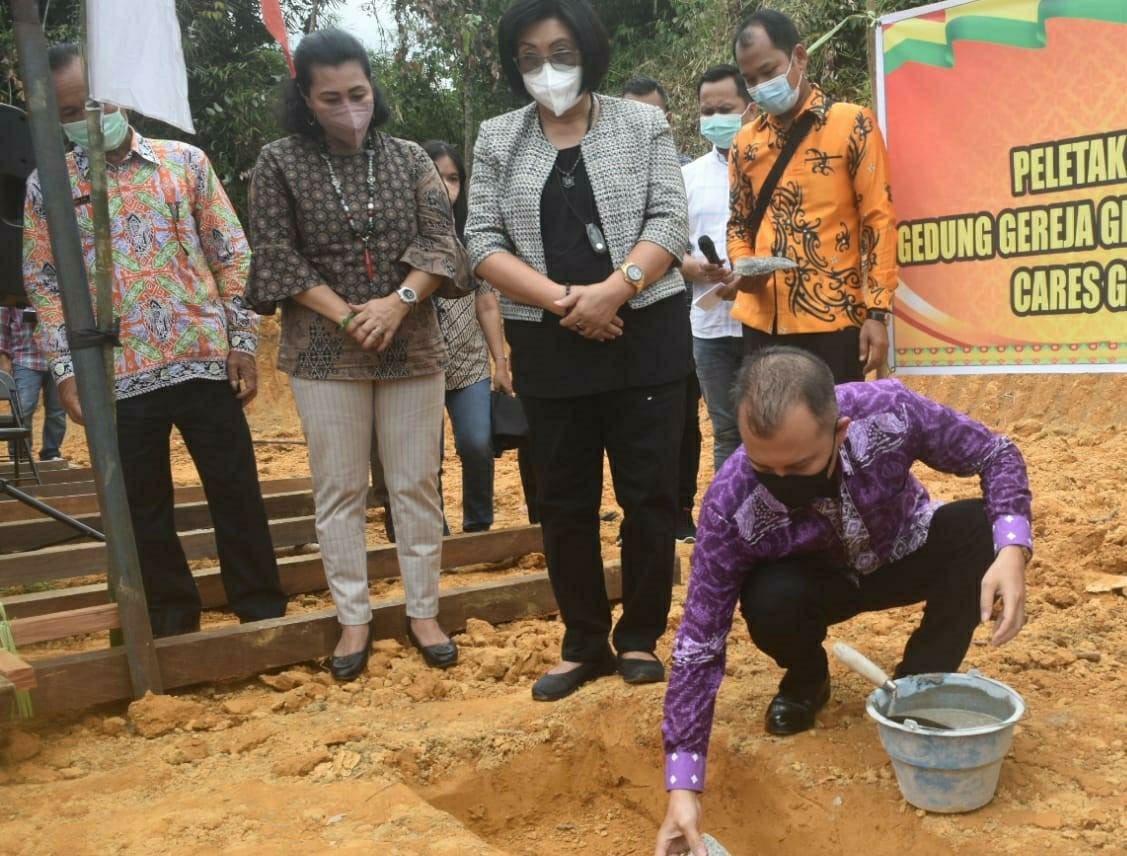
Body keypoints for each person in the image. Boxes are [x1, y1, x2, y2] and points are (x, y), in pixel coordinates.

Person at [654, 347, 1032, 855]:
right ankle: (808, 678)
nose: (784, 481)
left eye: (801, 465)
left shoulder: (890, 411)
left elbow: (996, 453)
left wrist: (1011, 549)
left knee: (974, 529)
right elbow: (698, 644)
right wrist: (683, 788)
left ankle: (916, 687)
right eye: (767, 468)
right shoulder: (730, 502)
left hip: (904, 550)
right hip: (814, 585)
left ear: (840, 429)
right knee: (769, 599)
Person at [465, 0, 691, 700]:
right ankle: (583, 641)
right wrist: (565, 300)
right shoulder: (498, 138)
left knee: (649, 496)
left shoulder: (641, 122)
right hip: (548, 340)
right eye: (529, 57)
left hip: (642, 332)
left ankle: (640, 640)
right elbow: (481, 241)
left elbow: (669, 220)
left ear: (587, 51)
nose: (545, 68)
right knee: (562, 501)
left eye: (559, 52)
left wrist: (613, 290)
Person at [23, 44, 287, 638]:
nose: (84, 120)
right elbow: (44, 282)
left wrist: (243, 342)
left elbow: (232, 255)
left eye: (92, 103)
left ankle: (261, 609)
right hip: (115, 373)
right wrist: (65, 370)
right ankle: (170, 620)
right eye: (66, 112)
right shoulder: (49, 186)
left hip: (203, 362)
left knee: (236, 490)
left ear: (117, 93)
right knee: (141, 506)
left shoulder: (184, 163)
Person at [245, 29, 468, 681]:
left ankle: (423, 611)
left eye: (359, 93)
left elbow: (441, 241)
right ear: (306, 100)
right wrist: (346, 312)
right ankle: (353, 618)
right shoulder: (279, 161)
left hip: (412, 345)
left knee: (415, 484)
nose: (348, 108)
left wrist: (396, 302)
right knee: (339, 489)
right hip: (324, 352)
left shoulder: (407, 159)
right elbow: (275, 253)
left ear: (375, 88)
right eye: (331, 97)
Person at [728, 9, 898, 383]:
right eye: (750, 79)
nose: (760, 86)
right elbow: (739, 223)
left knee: (838, 433)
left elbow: (878, 221)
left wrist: (877, 313)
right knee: (772, 434)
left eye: (769, 71)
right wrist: (744, 268)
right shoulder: (744, 143)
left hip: (834, 321)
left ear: (799, 57)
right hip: (762, 325)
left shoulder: (853, 124)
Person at [372, 140, 511, 538]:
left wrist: (500, 361)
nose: (446, 187)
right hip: (416, 361)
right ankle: (435, 530)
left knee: (477, 443)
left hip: (469, 363)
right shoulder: (397, 235)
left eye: (453, 178)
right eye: (437, 177)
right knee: (424, 456)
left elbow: (486, 302)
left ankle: (479, 526)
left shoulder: (475, 236)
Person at [621, 76, 698, 543]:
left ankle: (681, 508)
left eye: (651, 114)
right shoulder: (603, 173)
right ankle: (642, 516)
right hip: (623, 318)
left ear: (666, 119)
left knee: (683, 422)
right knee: (632, 427)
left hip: (682, 319)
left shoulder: (686, 171)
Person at [681, 65, 752, 472]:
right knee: (726, 431)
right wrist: (690, 267)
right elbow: (669, 247)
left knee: (769, 424)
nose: (714, 118)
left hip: (761, 322)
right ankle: (731, 521)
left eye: (725, 108)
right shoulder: (687, 176)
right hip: (709, 328)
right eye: (707, 110)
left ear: (749, 108)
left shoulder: (769, 167)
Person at [0, 305, 66, 463]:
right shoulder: (12, 289)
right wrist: (3, 359)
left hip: (59, 357)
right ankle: (19, 456)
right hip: (24, 357)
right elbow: (1, 328)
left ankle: (51, 453)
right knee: (23, 407)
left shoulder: (55, 288)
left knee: (57, 410)